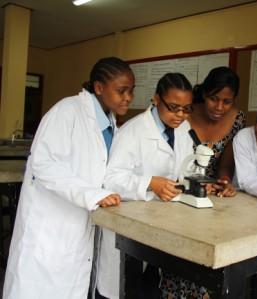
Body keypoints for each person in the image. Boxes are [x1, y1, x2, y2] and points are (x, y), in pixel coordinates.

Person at [3, 57, 134, 299]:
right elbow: (45, 165)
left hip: (78, 226)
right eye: (121, 90)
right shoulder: (67, 111)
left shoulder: (110, 122)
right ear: (98, 87)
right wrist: (94, 195)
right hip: (51, 228)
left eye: (131, 91)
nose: (128, 97)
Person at [97, 73, 195, 299]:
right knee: (127, 289)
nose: (180, 115)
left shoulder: (183, 129)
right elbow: (111, 179)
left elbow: (185, 168)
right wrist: (150, 183)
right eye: (173, 107)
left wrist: (194, 183)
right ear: (156, 99)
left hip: (162, 227)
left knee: (151, 287)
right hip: (129, 227)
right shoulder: (133, 131)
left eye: (186, 108)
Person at [188, 66, 246, 197]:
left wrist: (224, 181)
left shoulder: (237, 120)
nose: (219, 108)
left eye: (227, 102)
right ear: (204, 94)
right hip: (179, 186)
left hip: (210, 192)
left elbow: (225, 165)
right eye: (213, 99)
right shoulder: (185, 114)